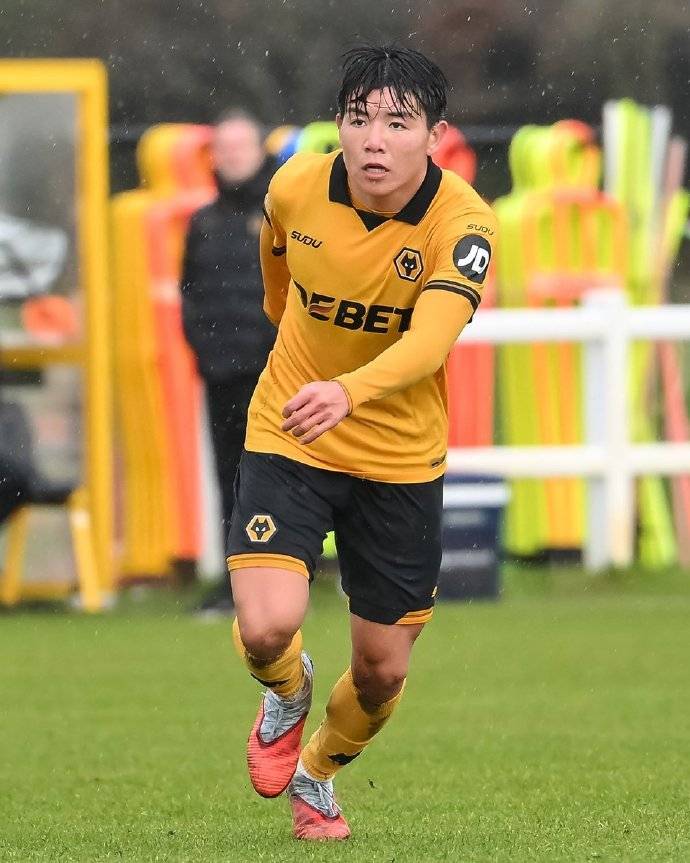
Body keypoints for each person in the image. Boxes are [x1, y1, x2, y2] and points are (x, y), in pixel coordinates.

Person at [227, 45, 497, 840]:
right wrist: (308, 370)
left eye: (397, 123)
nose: (374, 139)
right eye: (358, 119)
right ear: (338, 125)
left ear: (436, 135)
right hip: (292, 430)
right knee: (267, 627)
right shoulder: (294, 186)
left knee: (382, 670)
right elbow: (276, 280)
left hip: (398, 458)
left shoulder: (464, 225)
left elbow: (432, 339)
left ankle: (317, 772)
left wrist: (348, 389)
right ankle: (287, 691)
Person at [180, 109, 277, 614]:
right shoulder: (202, 223)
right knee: (228, 478)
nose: (232, 157)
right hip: (221, 374)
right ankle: (234, 581)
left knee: (276, 479)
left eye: (240, 147)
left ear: (260, 151)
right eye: (224, 148)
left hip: (274, 377)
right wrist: (205, 351)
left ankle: (281, 579)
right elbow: (190, 296)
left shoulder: (283, 216)